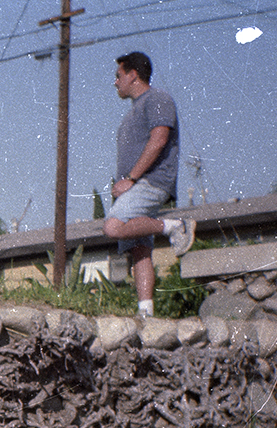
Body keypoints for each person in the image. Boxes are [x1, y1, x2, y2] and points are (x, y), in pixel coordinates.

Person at [102, 51, 196, 318]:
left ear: (133, 75)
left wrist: (131, 179)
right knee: (139, 251)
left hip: (150, 182)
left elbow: (159, 139)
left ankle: (175, 226)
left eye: (118, 76)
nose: (115, 82)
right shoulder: (132, 113)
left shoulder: (157, 99)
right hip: (134, 188)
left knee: (113, 226)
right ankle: (146, 313)